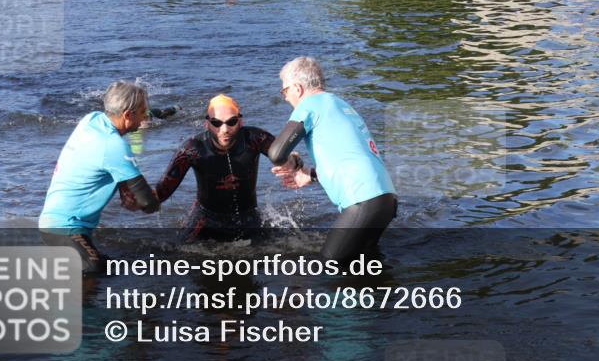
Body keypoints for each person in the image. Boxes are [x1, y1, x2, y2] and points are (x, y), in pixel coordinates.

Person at [269, 57, 397, 263]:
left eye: (285, 91)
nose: (285, 97)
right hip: (386, 200)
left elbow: (276, 153)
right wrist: (309, 175)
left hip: (363, 201)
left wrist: (291, 161)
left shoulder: (309, 105)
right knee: (365, 268)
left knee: (331, 266)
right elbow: (349, 158)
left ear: (298, 88)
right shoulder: (339, 104)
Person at [39, 81, 160, 274]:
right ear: (128, 115)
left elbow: (100, 161)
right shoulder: (113, 146)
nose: (145, 118)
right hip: (65, 228)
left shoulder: (92, 119)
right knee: (92, 270)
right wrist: (146, 201)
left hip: (53, 223)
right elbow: (149, 204)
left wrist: (123, 186)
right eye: (143, 112)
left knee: (113, 269)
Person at [145, 94, 296, 242]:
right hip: (206, 219)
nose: (224, 129)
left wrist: (294, 162)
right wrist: (139, 194)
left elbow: (284, 155)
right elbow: (162, 192)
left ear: (240, 121)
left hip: (248, 216)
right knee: (178, 252)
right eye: (216, 123)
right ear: (207, 123)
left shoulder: (255, 138)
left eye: (232, 122)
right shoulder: (193, 148)